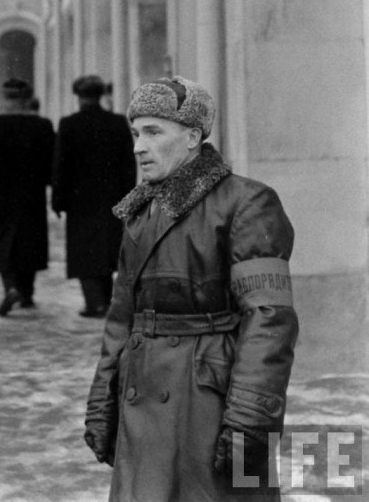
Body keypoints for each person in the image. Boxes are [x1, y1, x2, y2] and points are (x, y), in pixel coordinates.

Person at [84, 75, 299, 501]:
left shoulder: (247, 203)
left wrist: (250, 416)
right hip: (142, 395)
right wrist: (102, 402)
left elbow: (269, 318)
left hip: (207, 404)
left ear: (192, 137)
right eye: (135, 133)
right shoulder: (141, 211)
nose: (138, 147)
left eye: (153, 132)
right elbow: (121, 316)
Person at [52, 75, 136, 318]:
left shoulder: (69, 124)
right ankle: (105, 300)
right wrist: (128, 197)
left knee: (83, 251)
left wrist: (58, 199)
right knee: (108, 248)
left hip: (80, 200)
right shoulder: (117, 122)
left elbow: (61, 165)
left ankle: (94, 303)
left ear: (78, 97)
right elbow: (128, 164)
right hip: (111, 197)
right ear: (100, 96)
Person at [0, 77, 55, 316]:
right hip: (31, 192)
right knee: (30, 240)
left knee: (1, 240)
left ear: (4, 98)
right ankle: (27, 293)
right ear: (27, 99)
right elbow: (51, 160)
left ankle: (10, 287)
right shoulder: (41, 125)